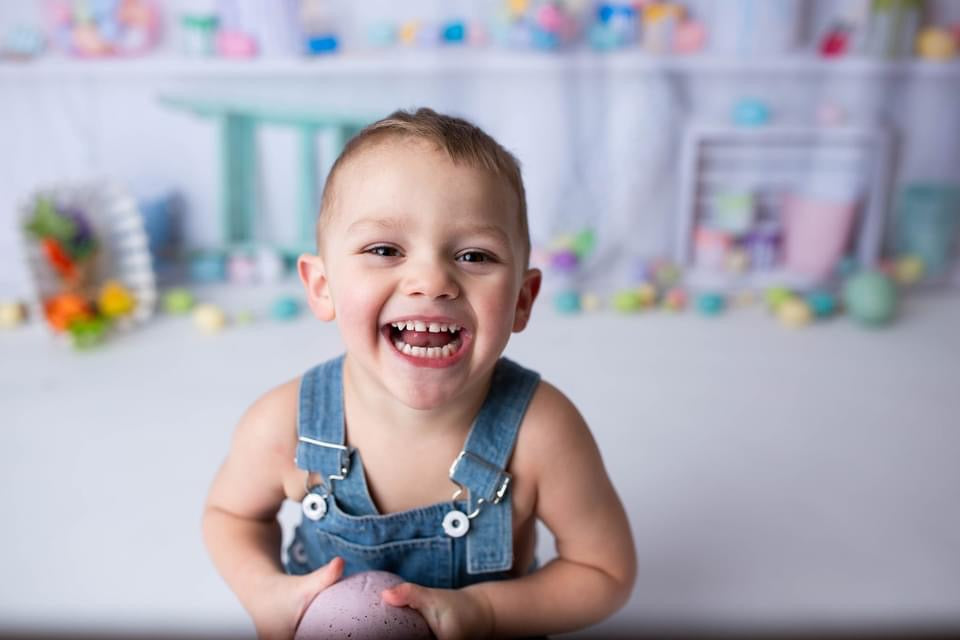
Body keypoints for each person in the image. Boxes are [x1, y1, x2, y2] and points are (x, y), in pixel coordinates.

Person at [202, 107, 636, 640]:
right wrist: (264, 593)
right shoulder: (285, 424)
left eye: (475, 255)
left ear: (522, 300)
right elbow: (231, 515)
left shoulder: (541, 432)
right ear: (322, 287)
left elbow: (604, 572)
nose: (431, 281)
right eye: (384, 250)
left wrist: (488, 612)